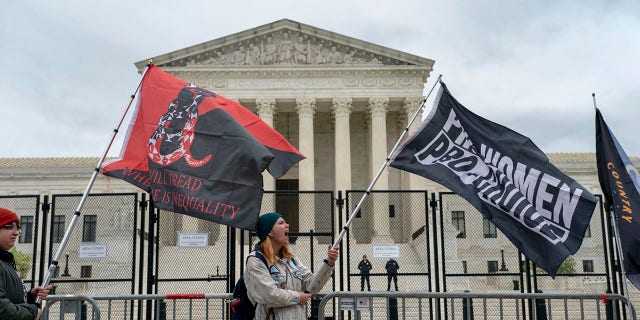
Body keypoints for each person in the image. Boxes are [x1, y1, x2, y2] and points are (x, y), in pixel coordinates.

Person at [244, 212, 339, 320]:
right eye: (281, 223)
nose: (287, 225)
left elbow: (312, 285)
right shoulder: (256, 261)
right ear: (270, 232)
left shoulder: (291, 259)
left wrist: (329, 263)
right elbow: (268, 295)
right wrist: (297, 298)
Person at [0, 208, 51, 319]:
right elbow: (2, 308)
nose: (16, 232)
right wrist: (32, 312)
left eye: (17, 227)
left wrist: (29, 296)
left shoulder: (5, 260)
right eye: (9, 227)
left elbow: (9, 298)